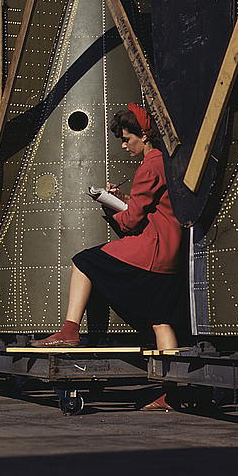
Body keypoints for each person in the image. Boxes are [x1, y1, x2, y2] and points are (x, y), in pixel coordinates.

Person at [32, 103, 187, 409]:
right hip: (172, 256)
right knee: (161, 322)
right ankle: (171, 393)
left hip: (151, 250)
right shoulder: (167, 162)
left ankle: (70, 330)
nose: (124, 144)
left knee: (83, 261)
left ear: (144, 136)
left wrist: (108, 205)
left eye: (127, 138)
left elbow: (131, 222)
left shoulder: (149, 166)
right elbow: (152, 206)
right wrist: (126, 200)